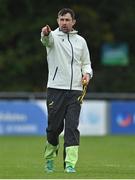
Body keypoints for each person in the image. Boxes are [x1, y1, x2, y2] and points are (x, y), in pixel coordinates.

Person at [41, 8, 93, 173]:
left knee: (72, 127)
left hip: (76, 91)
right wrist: (45, 34)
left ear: (73, 22)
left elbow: (86, 63)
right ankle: (49, 158)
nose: (64, 23)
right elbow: (46, 41)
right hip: (56, 90)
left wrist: (87, 74)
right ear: (58, 21)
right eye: (61, 20)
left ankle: (70, 164)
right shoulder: (53, 38)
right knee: (54, 128)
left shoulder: (81, 41)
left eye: (67, 20)